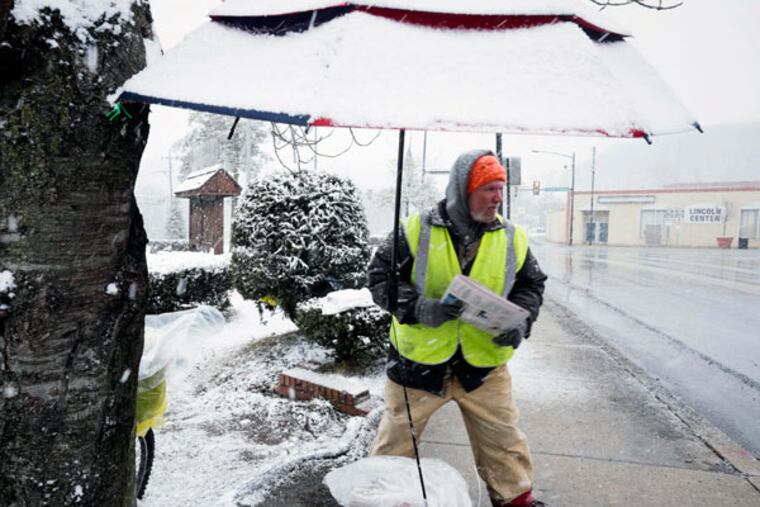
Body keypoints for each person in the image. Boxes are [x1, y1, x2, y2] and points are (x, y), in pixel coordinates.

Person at [367, 149, 547, 507]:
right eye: (488, 189)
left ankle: (515, 501)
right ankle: (382, 501)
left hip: (484, 368)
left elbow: (532, 285)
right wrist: (420, 308)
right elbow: (378, 278)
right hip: (417, 365)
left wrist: (521, 321)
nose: (498, 197)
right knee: (395, 447)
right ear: (462, 191)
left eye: (500, 188)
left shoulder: (512, 237)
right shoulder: (414, 230)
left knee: (504, 444)